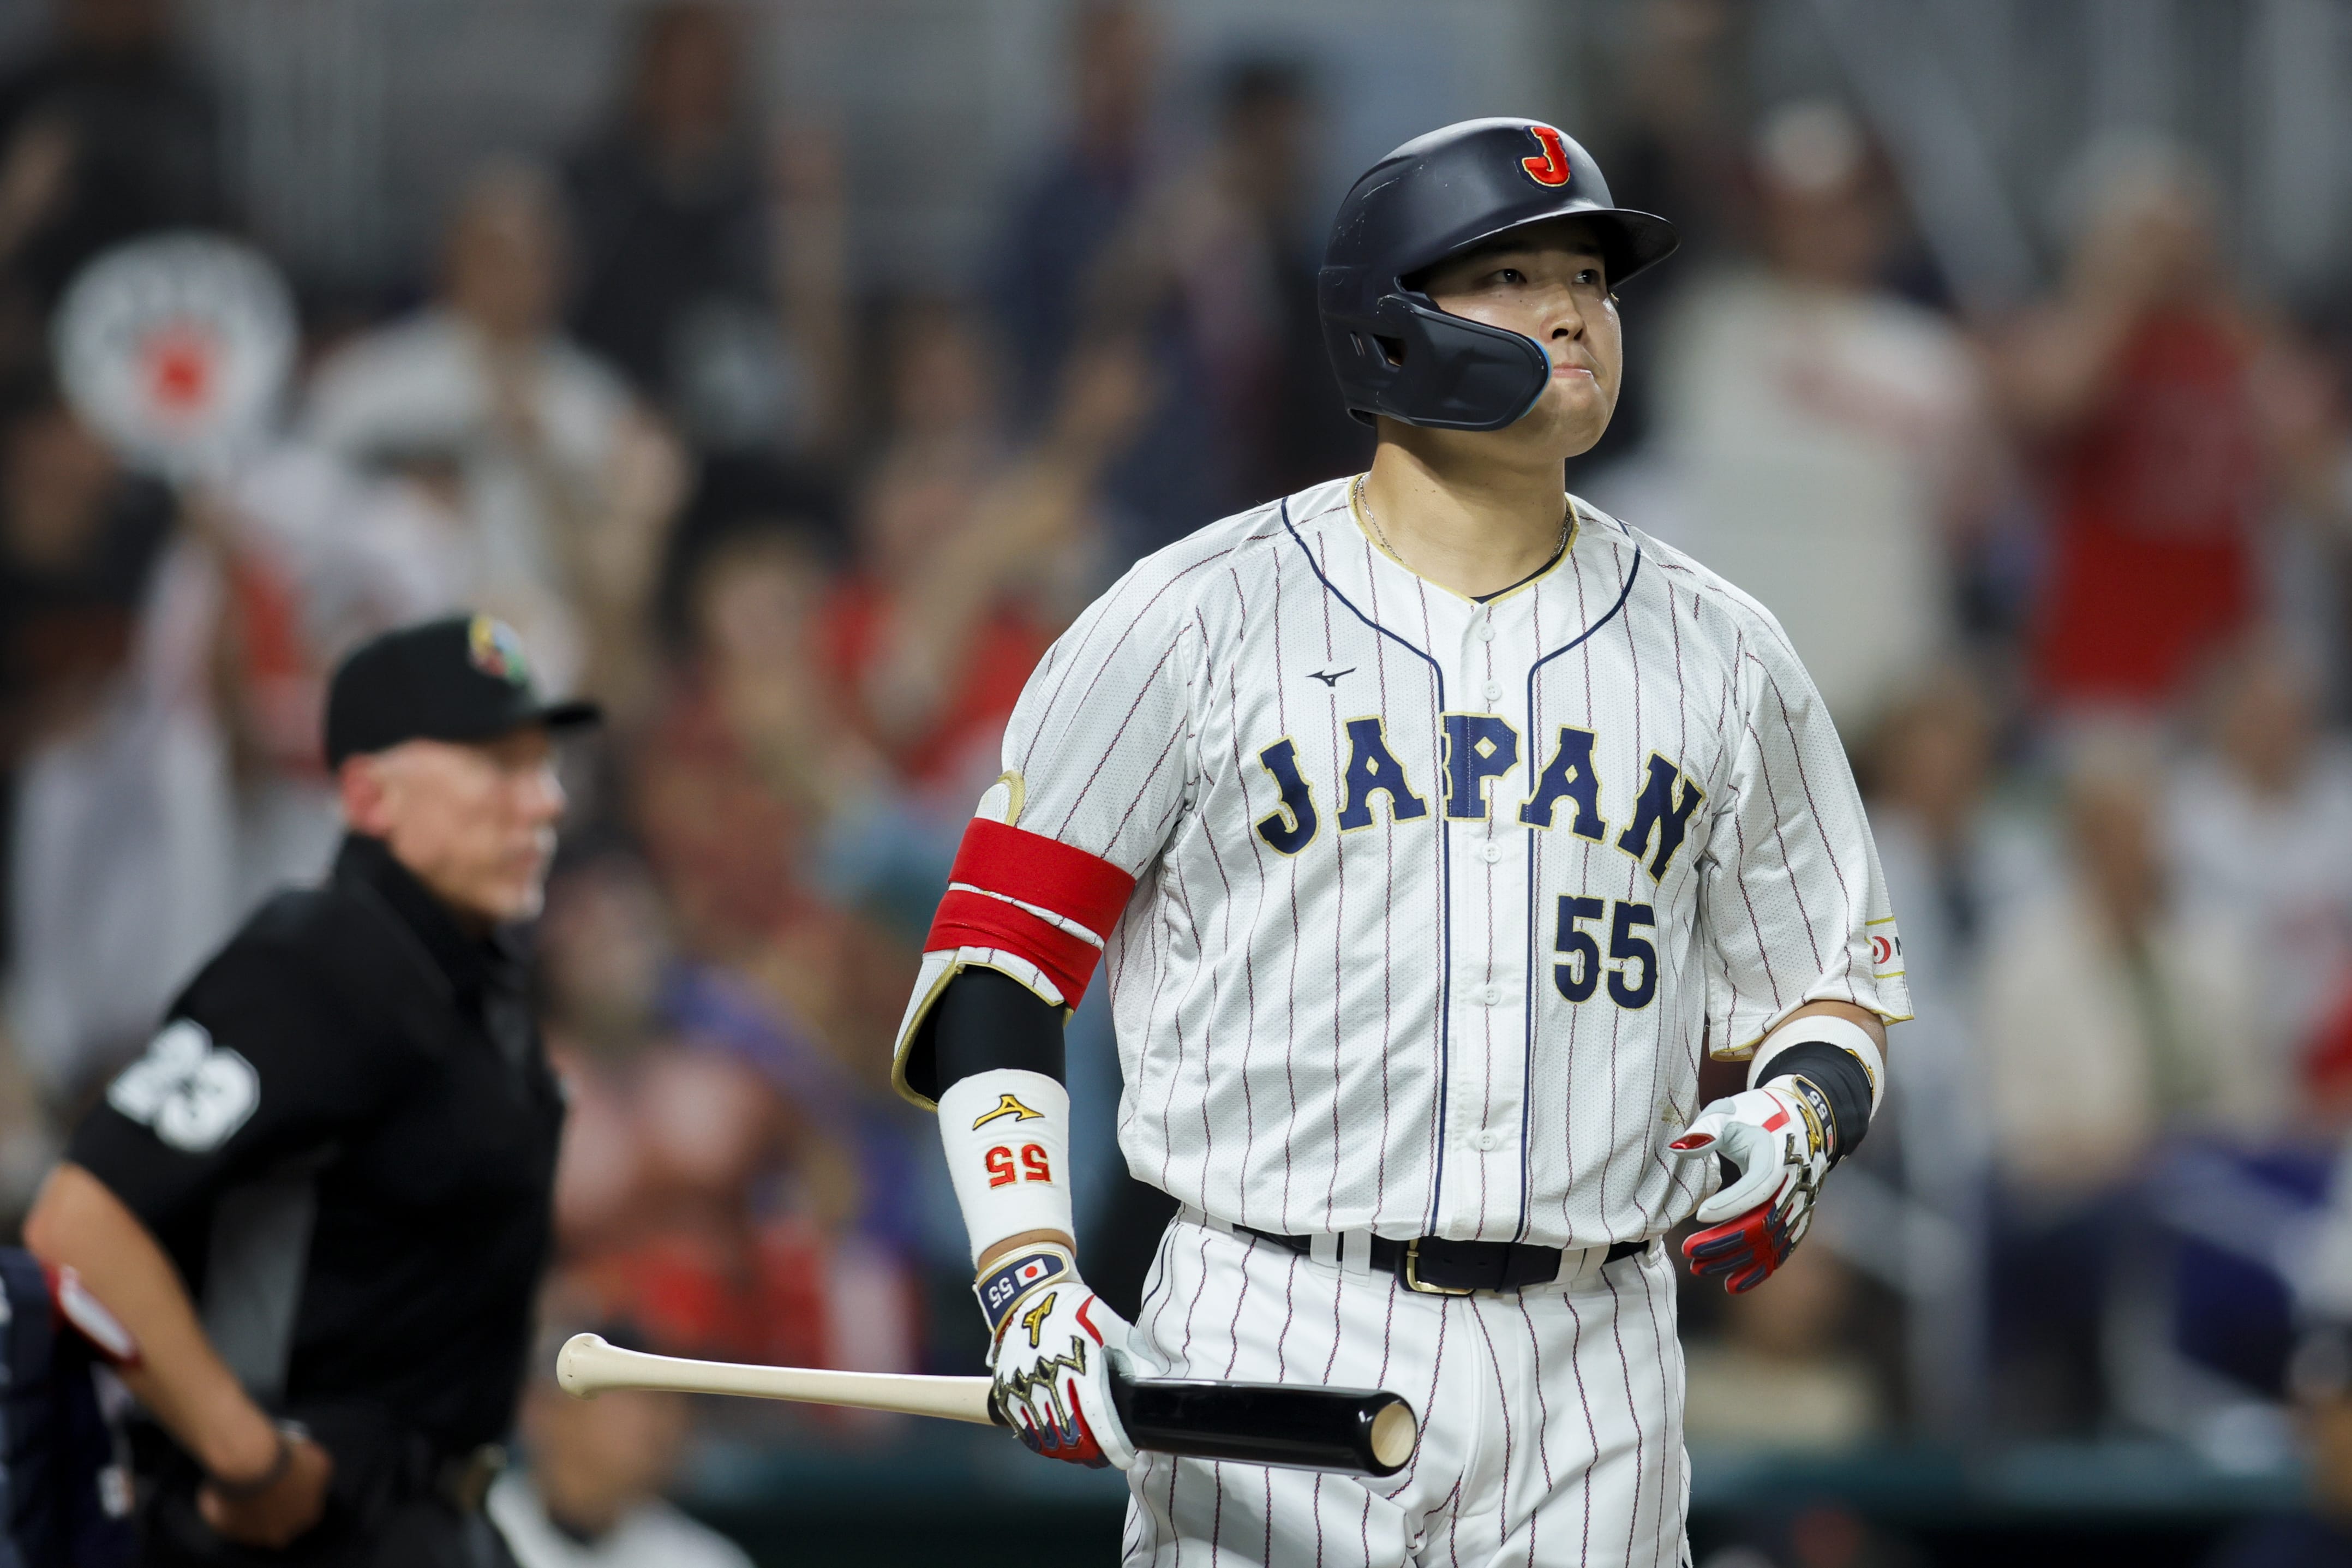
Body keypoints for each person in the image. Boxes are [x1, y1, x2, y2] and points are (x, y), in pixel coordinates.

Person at [890, 119, 1911, 1563]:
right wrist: (1026, 1274)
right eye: (1505, 276)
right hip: (1274, 1325)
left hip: (1594, 1354)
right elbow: (997, 962)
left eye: (1588, 276)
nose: (1569, 310)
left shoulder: (1723, 653)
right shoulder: (1191, 619)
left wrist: (1797, 1112)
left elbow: (1827, 980)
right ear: (1383, 331)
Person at [21, 613, 597, 1565]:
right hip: (293, 1531)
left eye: (546, 765)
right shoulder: (318, 963)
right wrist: (240, 1448)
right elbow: (79, 1219)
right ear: (371, 794)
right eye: (498, 766)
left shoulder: (467, 982)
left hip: (430, 1518)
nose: (544, 803)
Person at [486, 1322, 753, 1568]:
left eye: (671, 1403)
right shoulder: (474, 1528)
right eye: (643, 1398)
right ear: (547, 1410)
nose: (664, 1423)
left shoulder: (703, 1559)